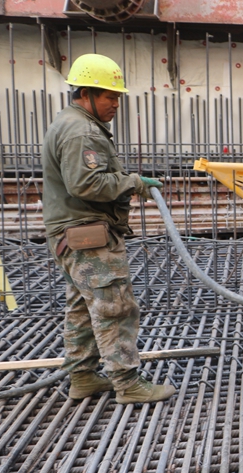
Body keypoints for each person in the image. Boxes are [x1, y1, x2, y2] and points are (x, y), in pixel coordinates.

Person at [42, 53, 174, 404]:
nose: (116, 104)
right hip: (87, 234)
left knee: (84, 307)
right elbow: (85, 185)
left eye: (117, 97)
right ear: (85, 93)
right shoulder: (81, 130)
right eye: (109, 96)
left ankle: (83, 377)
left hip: (71, 236)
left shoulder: (70, 122)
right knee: (115, 306)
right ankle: (128, 384)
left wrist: (128, 181)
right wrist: (131, 181)